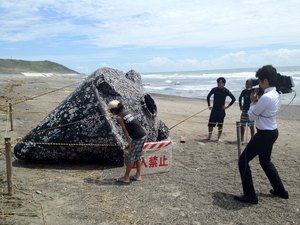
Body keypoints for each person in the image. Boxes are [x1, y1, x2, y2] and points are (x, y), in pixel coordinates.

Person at [234, 65, 289, 204]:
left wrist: (253, 102)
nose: (258, 83)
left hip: (264, 134)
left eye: (259, 80)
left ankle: (250, 196)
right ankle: (281, 191)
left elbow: (251, 117)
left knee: (243, 161)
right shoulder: (275, 93)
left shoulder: (266, 97)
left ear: (264, 81)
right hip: (272, 131)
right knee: (265, 161)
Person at [108, 100, 147, 184]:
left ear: (113, 110)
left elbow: (125, 131)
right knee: (137, 155)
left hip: (137, 138)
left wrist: (129, 144)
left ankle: (126, 178)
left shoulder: (119, 117)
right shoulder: (126, 112)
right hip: (143, 135)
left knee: (130, 157)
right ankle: (138, 175)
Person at [206, 77, 236, 141]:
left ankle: (219, 137)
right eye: (218, 82)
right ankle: (209, 136)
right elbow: (208, 97)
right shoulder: (214, 89)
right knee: (210, 123)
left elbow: (233, 99)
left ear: (224, 84)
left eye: (221, 82)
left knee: (220, 124)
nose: (219, 84)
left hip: (221, 110)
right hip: (214, 109)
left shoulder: (226, 91)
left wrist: (227, 107)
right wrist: (209, 105)